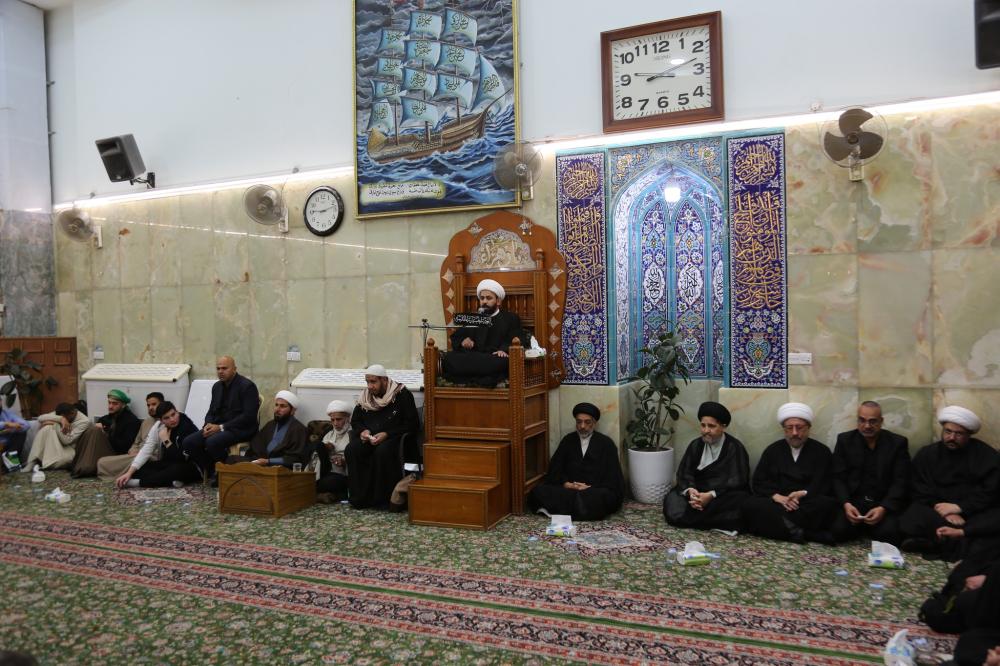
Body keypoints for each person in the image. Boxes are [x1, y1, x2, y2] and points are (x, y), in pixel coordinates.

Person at [899, 405, 1000, 561]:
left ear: (969, 434)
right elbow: (919, 487)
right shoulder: (927, 454)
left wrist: (960, 508)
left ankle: (937, 544)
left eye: (958, 434)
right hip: (937, 511)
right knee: (910, 517)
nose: (951, 437)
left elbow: (990, 492)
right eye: (948, 431)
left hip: (971, 513)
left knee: (991, 521)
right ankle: (951, 543)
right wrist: (943, 509)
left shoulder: (986, 456)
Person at [741, 402, 837, 544]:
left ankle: (787, 529)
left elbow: (825, 483)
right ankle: (805, 533)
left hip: (806, 502)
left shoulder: (821, 451)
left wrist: (803, 493)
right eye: (789, 428)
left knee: (828, 504)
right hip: (779, 504)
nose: (795, 433)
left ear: (808, 428)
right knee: (749, 504)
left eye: (799, 427)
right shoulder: (772, 450)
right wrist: (777, 497)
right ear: (784, 429)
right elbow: (759, 482)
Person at [830, 401, 911, 545]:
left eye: (872, 421)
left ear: (881, 421)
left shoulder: (897, 443)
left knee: (889, 534)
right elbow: (838, 477)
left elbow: (901, 481)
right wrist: (846, 504)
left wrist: (883, 508)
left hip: (881, 503)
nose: (867, 426)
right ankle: (862, 528)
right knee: (838, 532)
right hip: (854, 503)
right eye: (862, 420)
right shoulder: (845, 440)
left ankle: (867, 528)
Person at [528, 402, 625, 521]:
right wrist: (567, 484)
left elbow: (612, 477)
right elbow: (555, 469)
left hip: (592, 491)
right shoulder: (568, 440)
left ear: (594, 423)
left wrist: (589, 487)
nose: (582, 426)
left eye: (587, 422)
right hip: (569, 489)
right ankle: (580, 510)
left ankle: (568, 509)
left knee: (602, 497)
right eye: (579, 422)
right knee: (538, 491)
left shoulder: (606, 444)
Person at [663, 401, 750, 531]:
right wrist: (691, 491)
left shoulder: (735, 447)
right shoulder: (695, 445)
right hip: (697, 492)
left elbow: (738, 480)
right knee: (673, 499)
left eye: (711, 426)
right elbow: (684, 473)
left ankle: (697, 517)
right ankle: (709, 519)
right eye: (703, 425)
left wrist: (711, 495)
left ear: (723, 427)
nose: (706, 431)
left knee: (740, 500)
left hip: (721, 495)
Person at [344, 364, 419, 509]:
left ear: (384, 380)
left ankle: (382, 500)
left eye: (373, 382)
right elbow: (356, 421)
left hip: (394, 437)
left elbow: (412, 424)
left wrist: (387, 434)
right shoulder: (366, 397)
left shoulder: (401, 395)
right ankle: (360, 498)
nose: (369, 386)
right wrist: (363, 431)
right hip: (370, 437)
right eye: (367, 382)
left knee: (382, 451)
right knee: (352, 449)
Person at [182, 356, 259, 478]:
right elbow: (211, 411)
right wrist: (207, 425)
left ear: (234, 369)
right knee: (188, 442)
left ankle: (225, 472)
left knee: (212, 442)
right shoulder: (217, 387)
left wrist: (221, 427)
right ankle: (213, 470)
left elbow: (248, 417)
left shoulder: (247, 386)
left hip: (240, 428)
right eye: (218, 368)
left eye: (224, 368)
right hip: (218, 427)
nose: (220, 371)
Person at [441, 279, 524, 387]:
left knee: (502, 362)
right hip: (475, 356)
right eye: (482, 298)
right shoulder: (473, 318)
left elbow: (516, 338)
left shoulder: (510, 318)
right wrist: (463, 341)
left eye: (489, 298)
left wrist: (503, 350)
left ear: (498, 301)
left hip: (494, 357)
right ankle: (481, 376)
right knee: (449, 358)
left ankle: (471, 376)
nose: (484, 301)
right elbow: (457, 336)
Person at [115, 401, 201, 488]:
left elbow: (182, 458)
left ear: (177, 412)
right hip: (169, 464)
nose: (172, 419)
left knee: (177, 470)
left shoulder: (187, 426)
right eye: (166, 418)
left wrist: (166, 441)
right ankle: (171, 481)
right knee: (140, 469)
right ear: (161, 420)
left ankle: (140, 483)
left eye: (173, 414)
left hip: (191, 465)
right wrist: (129, 473)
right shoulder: (158, 426)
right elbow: (147, 449)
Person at [224, 390, 310, 468]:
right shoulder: (271, 425)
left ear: (292, 411)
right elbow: (257, 445)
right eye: (276, 405)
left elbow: (295, 459)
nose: (277, 409)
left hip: (280, 467)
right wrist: (257, 459)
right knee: (232, 460)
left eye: (282, 406)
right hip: (261, 463)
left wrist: (268, 461)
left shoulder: (299, 430)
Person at [70, 389, 143, 477]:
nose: (110, 406)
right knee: (92, 429)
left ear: (123, 405)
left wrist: (105, 433)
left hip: (117, 454)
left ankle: (85, 466)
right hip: (101, 452)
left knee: (95, 430)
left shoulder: (131, 421)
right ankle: (79, 463)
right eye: (109, 403)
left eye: (115, 403)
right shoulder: (105, 419)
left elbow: (125, 447)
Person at [97, 392, 164, 481]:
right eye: (148, 405)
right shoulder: (146, 422)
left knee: (103, 463)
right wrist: (133, 450)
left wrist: (141, 454)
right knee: (102, 461)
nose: (150, 408)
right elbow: (136, 442)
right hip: (135, 455)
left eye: (154, 404)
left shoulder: (164, 422)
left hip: (150, 457)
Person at [22, 402, 91, 471]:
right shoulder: (62, 413)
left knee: (49, 426)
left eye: (65, 417)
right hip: (55, 442)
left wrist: (55, 424)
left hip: (68, 448)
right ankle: (32, 461)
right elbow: (40, 418)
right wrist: (60, 419)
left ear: (72, 413)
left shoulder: (84, 421)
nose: (64, 420)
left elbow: (67, 441)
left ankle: (40, 462)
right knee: (47, 428)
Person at [316, 399, 352, 504]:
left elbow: (358, 459)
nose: (335, 423)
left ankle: (317, 494)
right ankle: (328, 495)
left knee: (329, 482)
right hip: (326, 471)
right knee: (318, 446)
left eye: (339, 419)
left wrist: (344, 461)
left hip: (343, 474)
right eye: (332, 420)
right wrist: (326, 448)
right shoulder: (329, 434)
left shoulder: (353, 434)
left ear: (347, 418)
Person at [0, 403, 29, 472]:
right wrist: (6, 424)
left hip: (8, 444)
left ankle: (10, 456)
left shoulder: (7, 414)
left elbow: (26, 425)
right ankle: (9, 464)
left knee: (21, 432)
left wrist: (10, 429)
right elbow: (6, 425)